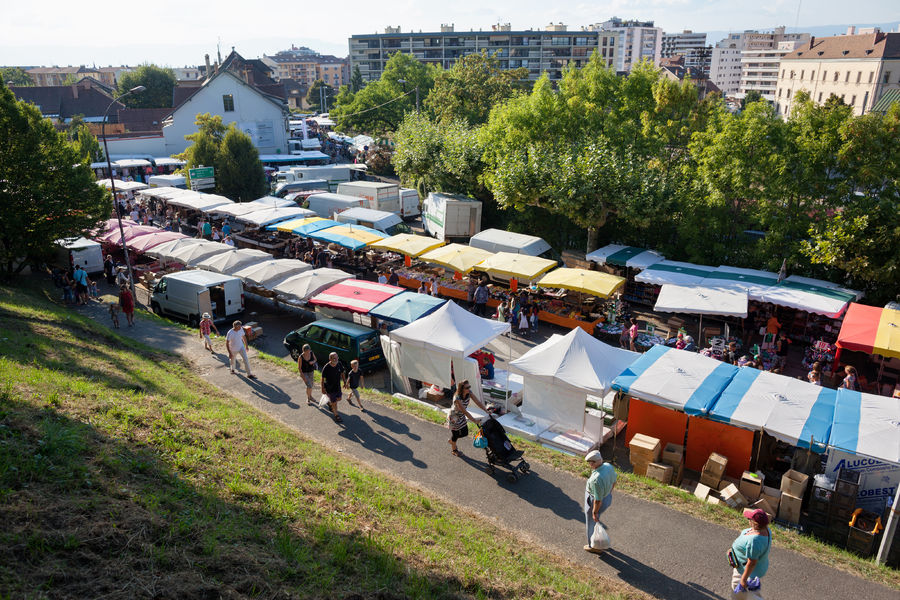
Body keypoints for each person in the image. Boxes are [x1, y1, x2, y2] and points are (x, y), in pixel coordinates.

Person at [730, 508, 772, 597]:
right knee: (752, 592)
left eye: (749, 519)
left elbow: (752, 562)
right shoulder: (767, 530)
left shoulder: (755, 541)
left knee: (738, 591)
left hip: (746, 571)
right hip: (755, 568)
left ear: (754, 524)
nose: (748, 520)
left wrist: (743, 580)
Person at [584, 449, 616, 555]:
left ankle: (594, 546)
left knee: (591, 522)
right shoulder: (608, 466)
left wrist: (594, 512)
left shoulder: (596, 480)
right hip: (607, 497)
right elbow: (614, 481)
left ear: (596, 462)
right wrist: (608, 493)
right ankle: (600, 542)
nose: (590, 465)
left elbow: (597, 500)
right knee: (596, 520)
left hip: (596, 500)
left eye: (591, 463)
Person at [447, 380, 487, 456]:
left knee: (465, 433)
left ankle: (452, 441)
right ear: (462, 389)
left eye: (469, 387)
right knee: (455, 434)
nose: (469, 388)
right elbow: (464, 411)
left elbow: (477, 402)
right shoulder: (457, 397)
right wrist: (474, 420)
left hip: (461, 416)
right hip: (454, 417)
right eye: (467, 387)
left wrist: (486, 410)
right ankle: (454, 450)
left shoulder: (469, 393)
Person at [320, 352, 347, 422]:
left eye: (337, 357)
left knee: (339, 398)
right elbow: (322, 379)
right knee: (334, 403)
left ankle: (330, 403)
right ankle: (336, 415)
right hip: (330, 388)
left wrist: (345, 382)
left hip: (337, 387)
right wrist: (322, 388)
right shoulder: (326, 367)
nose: (336, 359)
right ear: (330, 359)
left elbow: (342, 373)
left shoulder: (339, 364)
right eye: (334, 358)